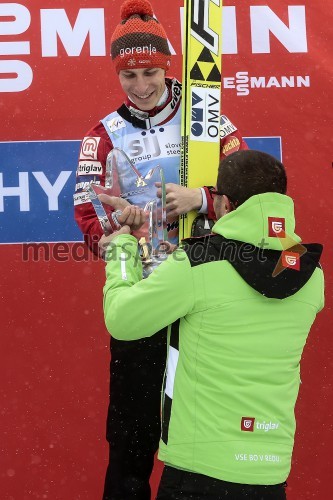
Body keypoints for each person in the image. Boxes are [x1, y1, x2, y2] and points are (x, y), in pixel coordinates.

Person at [74, 0, 248, 498]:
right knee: (132, 424)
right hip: (146, 295)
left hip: (205, 295)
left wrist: (206, 199)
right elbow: (88, 211)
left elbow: (258, 195)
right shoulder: (103, 135)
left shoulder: (206, 117)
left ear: (167, 65)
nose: (141, 85)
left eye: (150, 71)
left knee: (200, 415)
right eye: (128, 75)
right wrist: (116, 230)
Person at [101, 150, 324, 500]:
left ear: (222, 203)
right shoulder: (310, 273)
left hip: (198, 472)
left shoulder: (197, 262)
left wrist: (123, 252)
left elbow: (122, 318)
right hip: (269, 472)